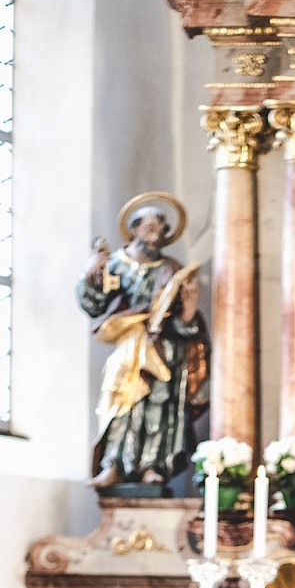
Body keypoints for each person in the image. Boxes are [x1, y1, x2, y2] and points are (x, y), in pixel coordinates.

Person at [77, 194, 208, 489]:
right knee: (121, 402)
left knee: (159, 406)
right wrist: (89, 275)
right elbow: (96, 306)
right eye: (147, 228)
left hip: (164, 349)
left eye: (159, 229)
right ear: (134, 229)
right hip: (128, 346)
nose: (153, 235)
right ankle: (113, 464)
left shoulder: (171, 269)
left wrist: (187, 314)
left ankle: (153, 465)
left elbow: (184, 321)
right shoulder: (116, 265)